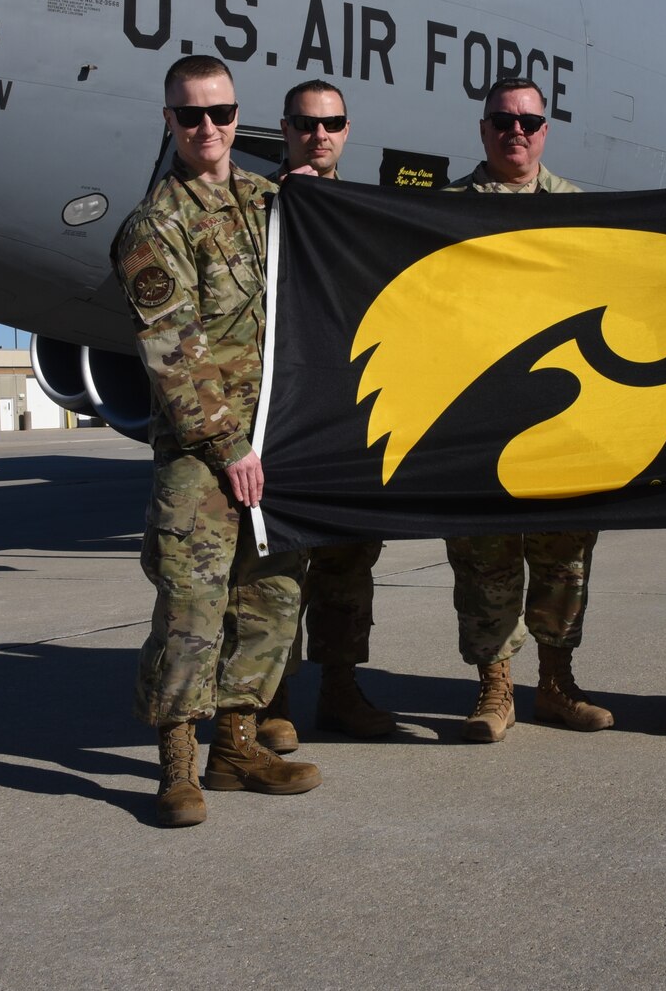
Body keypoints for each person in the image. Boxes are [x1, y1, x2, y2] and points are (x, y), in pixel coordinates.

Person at [110, 54, 321, 826]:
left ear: (240, 117)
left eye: (221, 113)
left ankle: (236, 745)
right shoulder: (152, 225)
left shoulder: (270, 201)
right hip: (205, 456)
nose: (208, 128)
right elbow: (174, 349)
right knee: (192, 608)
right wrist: (231, 446)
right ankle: (177, 763)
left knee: (272, 598)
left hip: (278, 445)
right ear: (168, 120)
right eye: (191, 114)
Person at [440, 77, 612, 742]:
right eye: (503, 122)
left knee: (563, 554)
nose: (517, 133)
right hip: (476, 417)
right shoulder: (444, 210)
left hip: (562, 418)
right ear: (483, 130)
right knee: (485, 555)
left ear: (547, 130)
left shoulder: (580, 212)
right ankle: (495, 684)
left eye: (530, 122)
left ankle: (558, 681)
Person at [254, 79, 398, 749]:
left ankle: (340, 689)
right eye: (306, 124)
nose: (319, 134)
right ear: (285, 129)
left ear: (346, 130)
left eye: (331, 123)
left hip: (349, 420)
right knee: (277, 570)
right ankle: (272, 700)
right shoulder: (256, 211)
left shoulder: (367, 215)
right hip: (281, 421)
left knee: (347, 568)